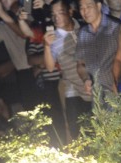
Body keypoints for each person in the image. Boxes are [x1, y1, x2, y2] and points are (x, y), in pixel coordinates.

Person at [42, 0, 92, 140]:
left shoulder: (83, 27)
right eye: (53, 14)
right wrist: (46, 46)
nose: (56, 17)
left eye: (60, 13)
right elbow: (50, 67)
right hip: (73, 90)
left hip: (94, 86)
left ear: (70, 11)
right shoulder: (53, 38)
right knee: (78, 134)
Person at [75, 0, 121, 101]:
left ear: (99, 6)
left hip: (118, 92)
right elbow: (80, 64)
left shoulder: (115, 27)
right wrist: (85, 79)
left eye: (89, 6)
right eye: (81, 8)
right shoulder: (83, 33)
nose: (85, 11)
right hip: (97, 95)